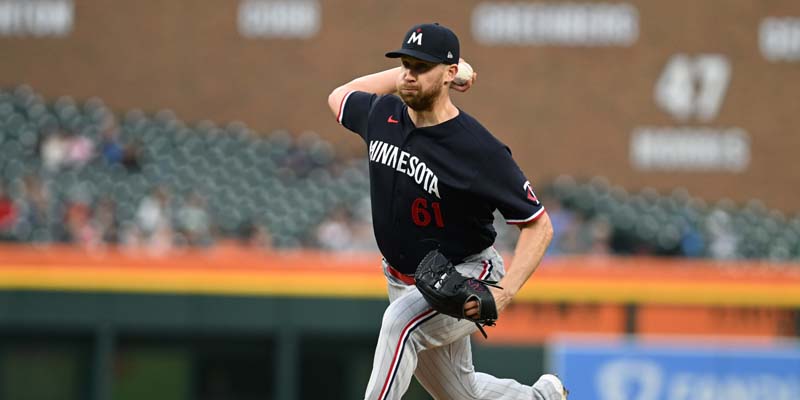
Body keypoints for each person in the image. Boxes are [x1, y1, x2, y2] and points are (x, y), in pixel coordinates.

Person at [327, 23, 564, 400]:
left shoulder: (479, 150)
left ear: (449, 75)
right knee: (461, 395)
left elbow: (539, 226)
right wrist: (407, 74)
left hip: (466, 272)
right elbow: (339, 97)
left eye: (421, 67)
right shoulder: (382, 115)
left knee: (398, 326)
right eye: (406, 64)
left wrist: (502, 295)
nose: (409, 74)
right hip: (404, 280)